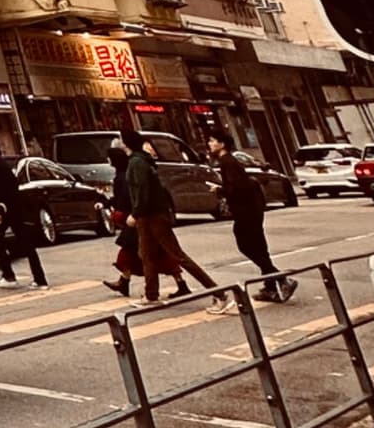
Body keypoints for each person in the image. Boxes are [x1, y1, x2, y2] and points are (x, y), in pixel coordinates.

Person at [122, 128, 223, 308]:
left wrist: (135, 213)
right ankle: (151, 295)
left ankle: (218, 292)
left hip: (151, 215)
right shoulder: (141, 160)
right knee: (147, 255)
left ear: (125, 142)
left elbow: (142, 192)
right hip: (149, 216)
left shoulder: (137, 163)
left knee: (177, 255)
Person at [213, 142, 295, 303]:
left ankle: (280, 278)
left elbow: (236, 188)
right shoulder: (232, 161)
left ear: (222, 144)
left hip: (245, 212)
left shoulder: (226, 162)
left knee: (246, 245)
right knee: (260, 249)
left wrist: (219, 190)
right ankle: (271, 287)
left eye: (211, 140)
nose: (209, 144)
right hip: (253, 210)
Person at [0, 137, 46, 287]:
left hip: (2, 209)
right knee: (25, 241)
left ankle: (9, 276)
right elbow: (12, 184)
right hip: (13, 207)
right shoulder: (1, 162)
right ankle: (39, 278)